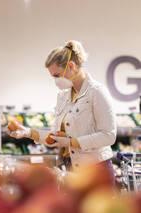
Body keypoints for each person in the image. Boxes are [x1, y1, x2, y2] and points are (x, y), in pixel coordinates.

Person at [7, 40, 117, 176]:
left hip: (96, 171)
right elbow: (55, 136)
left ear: (71, 66)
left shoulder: (96, 92)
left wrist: (72, 142)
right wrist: (27, 133)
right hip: (71, 169)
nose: (55, 81)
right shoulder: (63, 96)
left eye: (57, 75)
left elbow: (108, 136)